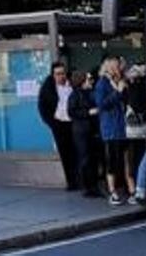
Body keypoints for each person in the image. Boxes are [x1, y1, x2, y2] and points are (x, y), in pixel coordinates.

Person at [94, 56, 130, 206]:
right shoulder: (102, 83)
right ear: (107, 68)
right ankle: (112, 191)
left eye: (118, 67)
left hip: (123, 127)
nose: (118, 69)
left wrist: (124, 90)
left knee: (125, 161)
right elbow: (101, 104)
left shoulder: (119, 81)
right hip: (110, 128)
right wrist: (117, 92)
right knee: (112, 161)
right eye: (114, 67)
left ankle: (126, 189)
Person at [38, 61, 78, 191]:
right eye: (58, 74)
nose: (61, 76)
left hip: (72, 122)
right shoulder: (48, 87)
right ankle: (71, 182)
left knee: (76, 151)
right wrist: (51, 122)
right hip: (59, 124)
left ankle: (80, 179)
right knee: (65, 153)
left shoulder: (71, 84)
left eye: (62, 73)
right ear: (53, 75)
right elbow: (42, 106)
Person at [67, 70, 101, 197]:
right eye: (88, 79)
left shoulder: (89, 94)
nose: (90, 81)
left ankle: (94, 185)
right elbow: (71, 112)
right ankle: (87, 187)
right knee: (85, 158)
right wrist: (88, 113)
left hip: (90, 129)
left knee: (93, 158)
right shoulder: (75, 95)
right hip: (81, 131)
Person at [125, 62, 146, 205]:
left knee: (139, 158)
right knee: (142, 157)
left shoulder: (133, 86)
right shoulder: (140, 86)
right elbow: (138, 105)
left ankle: (140, 189)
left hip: (136, 130)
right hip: (141, 128)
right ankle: (140, 189)